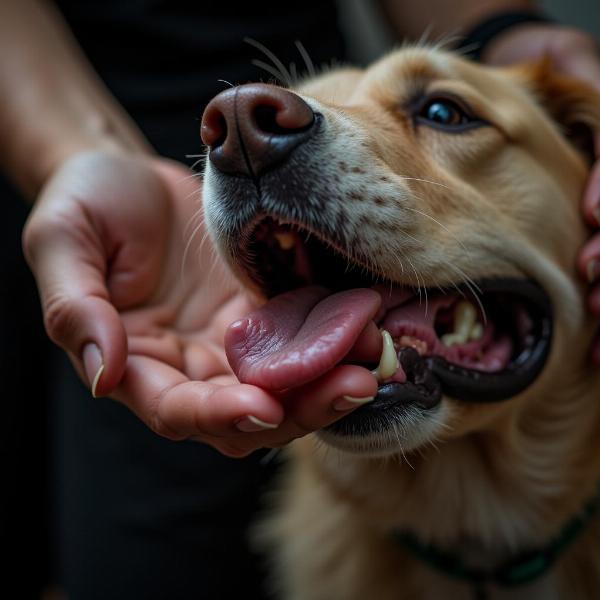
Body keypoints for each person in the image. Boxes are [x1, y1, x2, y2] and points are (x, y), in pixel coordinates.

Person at [2, 0, 600, 598]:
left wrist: (502, 28)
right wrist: (74, 153)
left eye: (443, 113)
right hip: (141, 235)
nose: (253, 129)